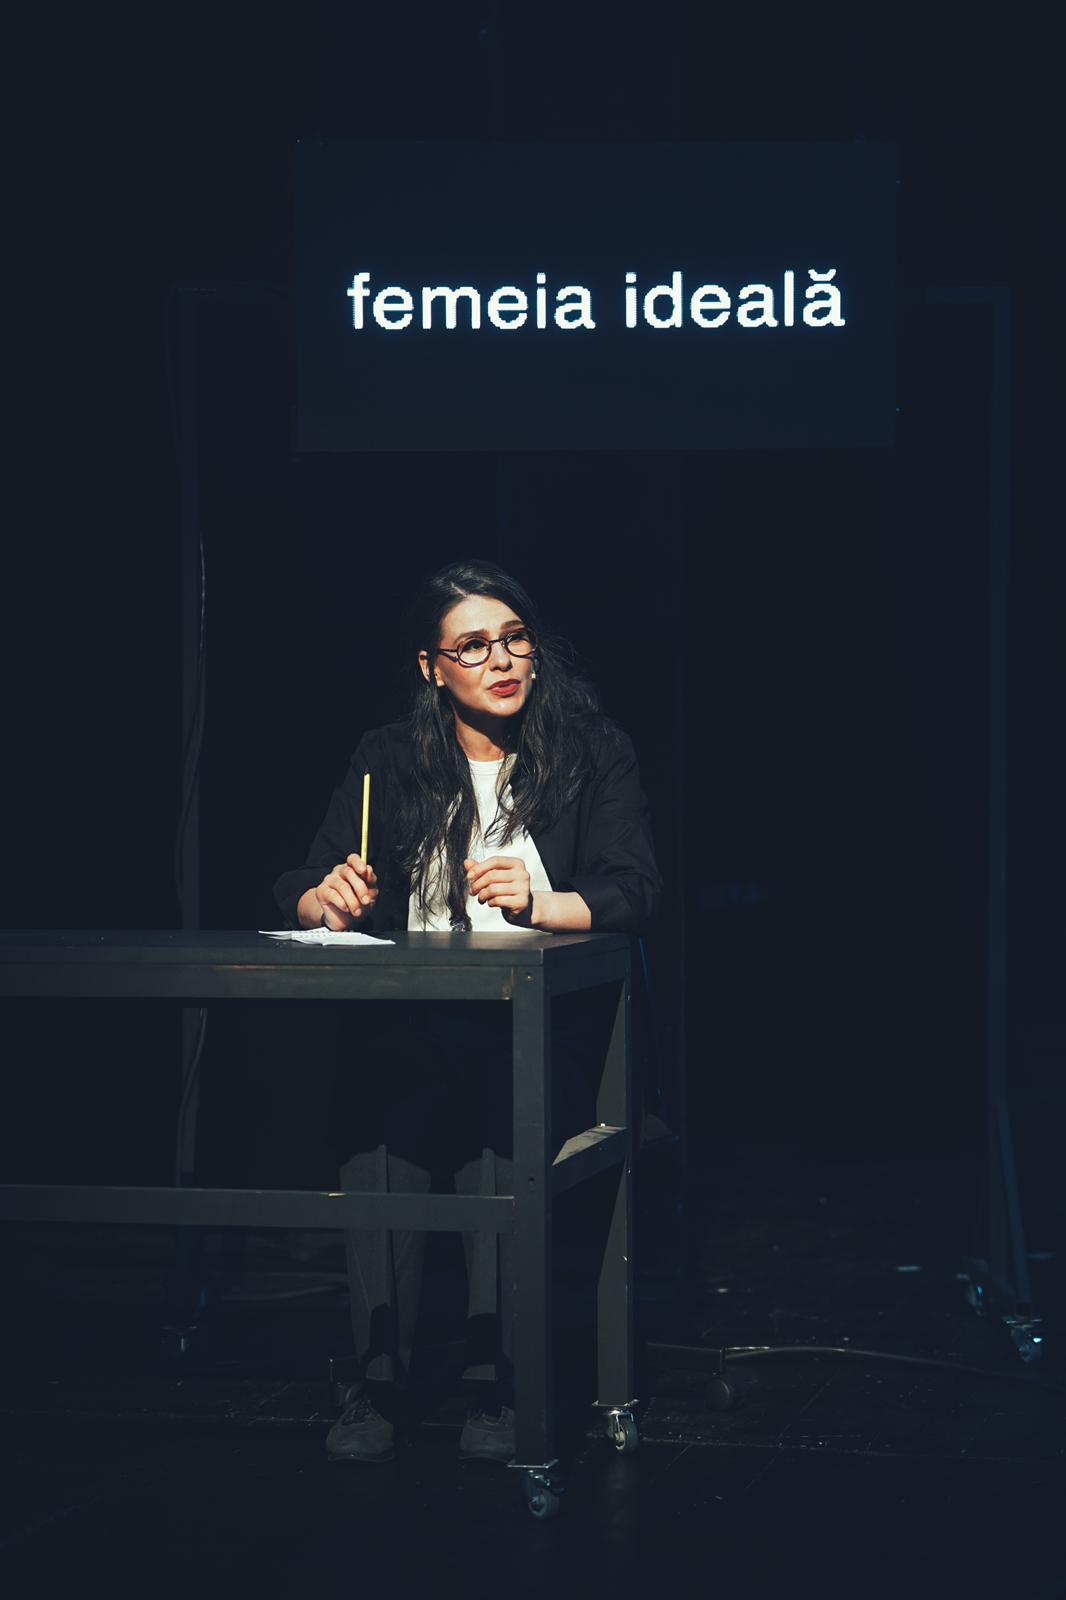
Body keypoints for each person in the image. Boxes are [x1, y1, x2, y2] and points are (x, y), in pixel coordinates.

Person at [272, 558, 662, 1465]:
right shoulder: (388, 757)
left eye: (516, 639)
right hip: (412, 1024)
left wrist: (542, 900)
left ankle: (503, 1380)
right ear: (431, 667)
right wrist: (324, 898)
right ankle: (379, 1380)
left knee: (500, 1118)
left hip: (536, 1026)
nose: (503, 660)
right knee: (377, 1122)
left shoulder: (590, 751)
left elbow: (636, 888)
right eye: (475, 646)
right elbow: (302, 877)